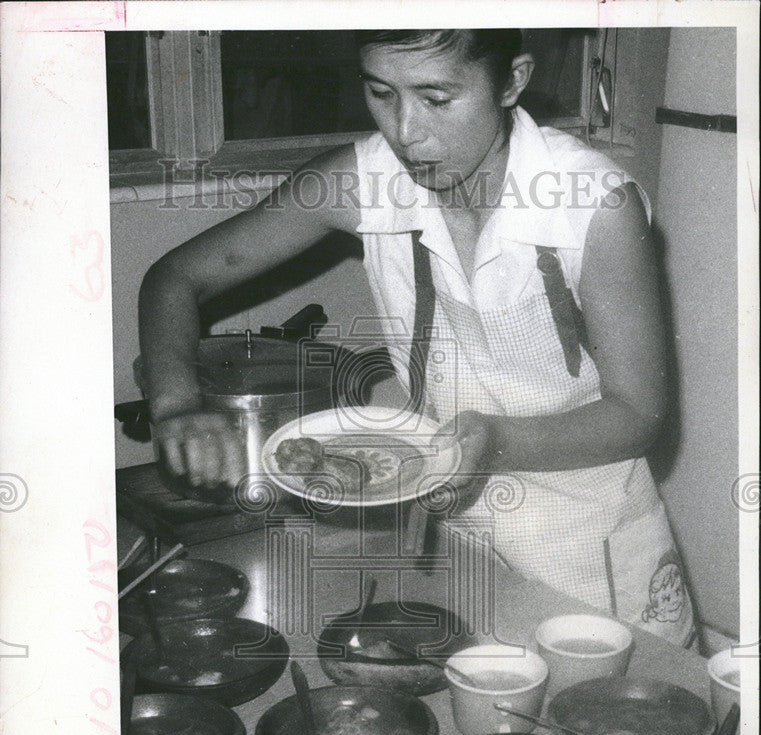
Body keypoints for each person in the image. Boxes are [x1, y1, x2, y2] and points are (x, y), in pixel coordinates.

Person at [138, 28, 695, 646]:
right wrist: (175, 403)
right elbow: (175, 278)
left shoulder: (594, 206)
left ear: (513, 81)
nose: (405, 132)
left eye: (436, 99)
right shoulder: (364, 179)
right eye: (381, 93)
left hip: (591, 542)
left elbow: (640, 415)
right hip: (455, 536)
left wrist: (494, 443)